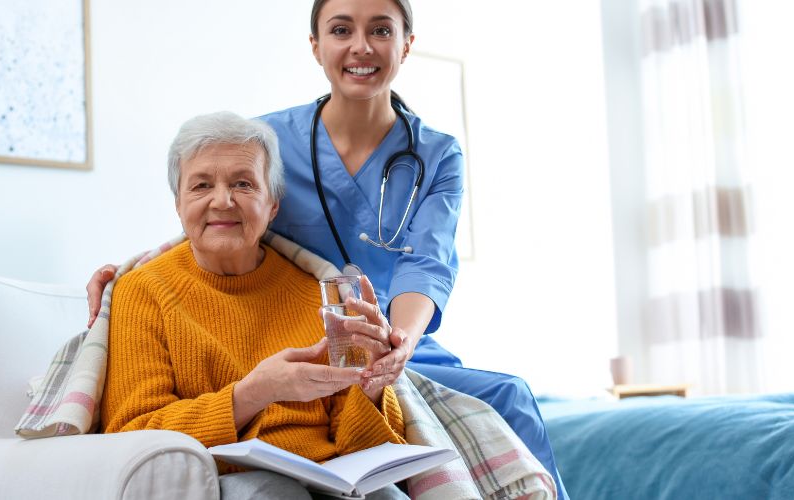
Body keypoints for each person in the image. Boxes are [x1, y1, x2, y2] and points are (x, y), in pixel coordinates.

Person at [89, 0, 567, 496]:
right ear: (316, 45)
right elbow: (221, 212)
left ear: (407, 44)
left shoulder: (437, 154)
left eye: (381, 29)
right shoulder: (268, 138)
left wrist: (393, 345)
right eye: (341, 29)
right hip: (310, 338)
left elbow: (425, 266)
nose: (361, 46)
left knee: (509, 394)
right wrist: (126, 273)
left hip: (398, 338)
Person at [100, 112, 409, 500]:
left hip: (330, 476)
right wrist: (253, 394)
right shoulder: (142, 291)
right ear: (178, 204)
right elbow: (131, 435)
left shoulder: (317, 292)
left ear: (273, 205)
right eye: (201, 185)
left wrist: (372, 385)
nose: (222, 201)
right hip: (228, 479)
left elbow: (360, 447)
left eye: (243, 184)